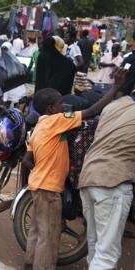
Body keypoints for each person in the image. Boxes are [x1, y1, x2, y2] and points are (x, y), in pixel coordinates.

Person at [21, 68, 127, 270]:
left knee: (36, 230)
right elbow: (91, 112)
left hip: (37, 186)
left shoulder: (39, 127)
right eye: (61, 103)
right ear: (52, 108)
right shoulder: (57, 121)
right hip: (50, 190)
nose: (64, 106)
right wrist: (115, 89)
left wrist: (41, 170)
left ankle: (29, 264)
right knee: (49, 236)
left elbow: (27, 160)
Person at [78, 70, 133, 270]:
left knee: (95, 245)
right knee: (107, 255)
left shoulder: (112, 107)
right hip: (112, 183)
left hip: (88, 178)